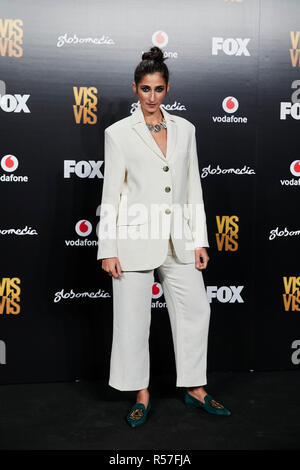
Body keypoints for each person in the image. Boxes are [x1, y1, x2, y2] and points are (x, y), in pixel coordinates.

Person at [97, 46, 231, 427]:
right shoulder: (118, 133)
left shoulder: (186, 130)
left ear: (167, 89)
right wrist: (107, 247)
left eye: (158, 89)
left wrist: (200, 240)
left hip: (178, 238)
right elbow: (111, 192)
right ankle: (140, 393)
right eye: (144, 89)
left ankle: (195, 388)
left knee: (196, 311)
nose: (151, 97)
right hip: (134, 238)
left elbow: (192, 189)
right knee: (132, 320)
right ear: (134, 89)